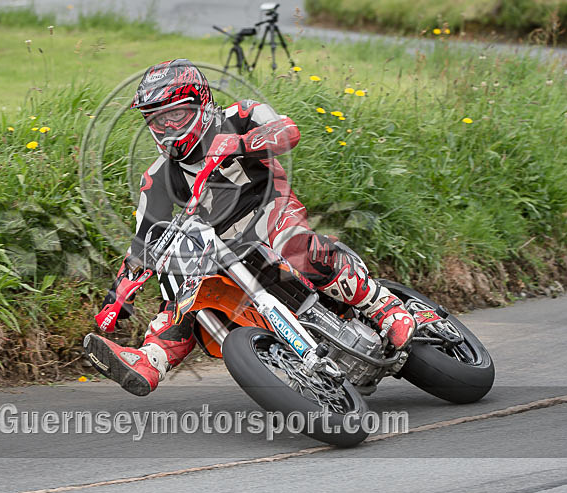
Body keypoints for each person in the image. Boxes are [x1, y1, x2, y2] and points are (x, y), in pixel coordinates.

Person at [84, 59, 415, 396]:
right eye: (157, 119)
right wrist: (118, 295)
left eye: (177, 114)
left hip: (272, 212)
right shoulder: (156, 178)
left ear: (201, 103)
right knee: (186, 295)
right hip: (223, 249)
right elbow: (145, 241)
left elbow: (288, 130)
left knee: (294, 247)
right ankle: (149, 360)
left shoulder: (240, 115)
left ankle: (384, 307)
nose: (167, 126)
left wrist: (239, 143)